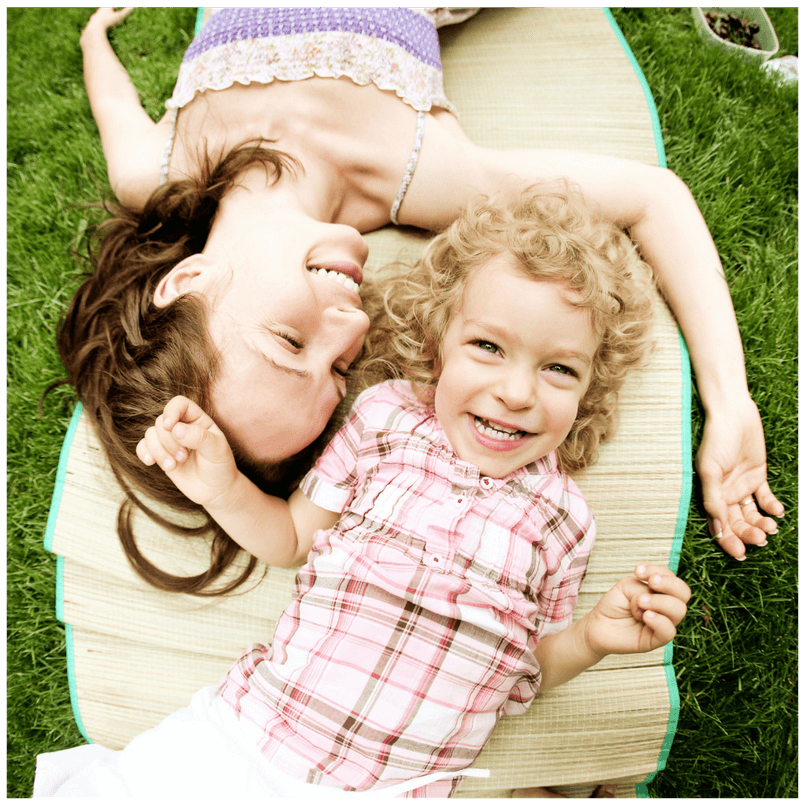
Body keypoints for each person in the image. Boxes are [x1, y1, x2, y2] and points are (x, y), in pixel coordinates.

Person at [57, 7, 781, 600]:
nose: (349, 323)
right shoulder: (422, 176)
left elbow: (113, 104)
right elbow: (655, 199)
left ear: (188, 281)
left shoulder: (151, 172)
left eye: (287, 341)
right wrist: (731, 402)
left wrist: (94, 39)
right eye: (340, 368)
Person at [35, 189, 690, 799]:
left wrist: (595, 638)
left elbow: (523, 674)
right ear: (438, 347)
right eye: (488, 346)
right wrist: (218, 483)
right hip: (246, 741)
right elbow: (291, 538)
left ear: (589, 386)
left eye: (558, 369)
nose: (517, 392)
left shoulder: (562, 520)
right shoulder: (387, 419)